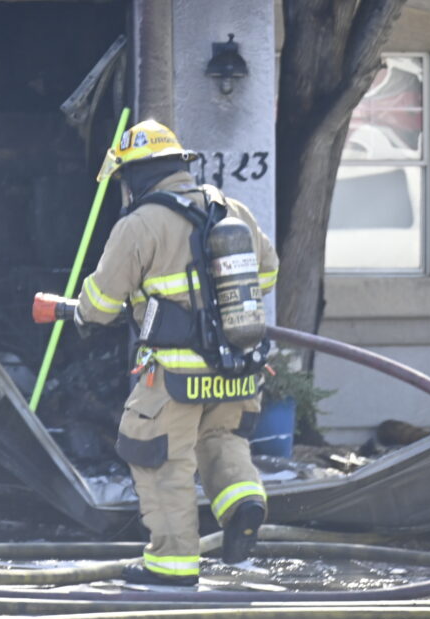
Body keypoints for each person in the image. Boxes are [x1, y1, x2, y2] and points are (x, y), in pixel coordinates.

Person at [74, 119, 280, 586]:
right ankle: (243, 502)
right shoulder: (231, 209)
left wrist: (85, 309)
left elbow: (101, 305)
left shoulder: (139, 224)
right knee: (221, 439)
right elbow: (267, 275)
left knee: (159, 457)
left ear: (135, 176)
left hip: (174, 374)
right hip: (237, 367)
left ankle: (173, 565)